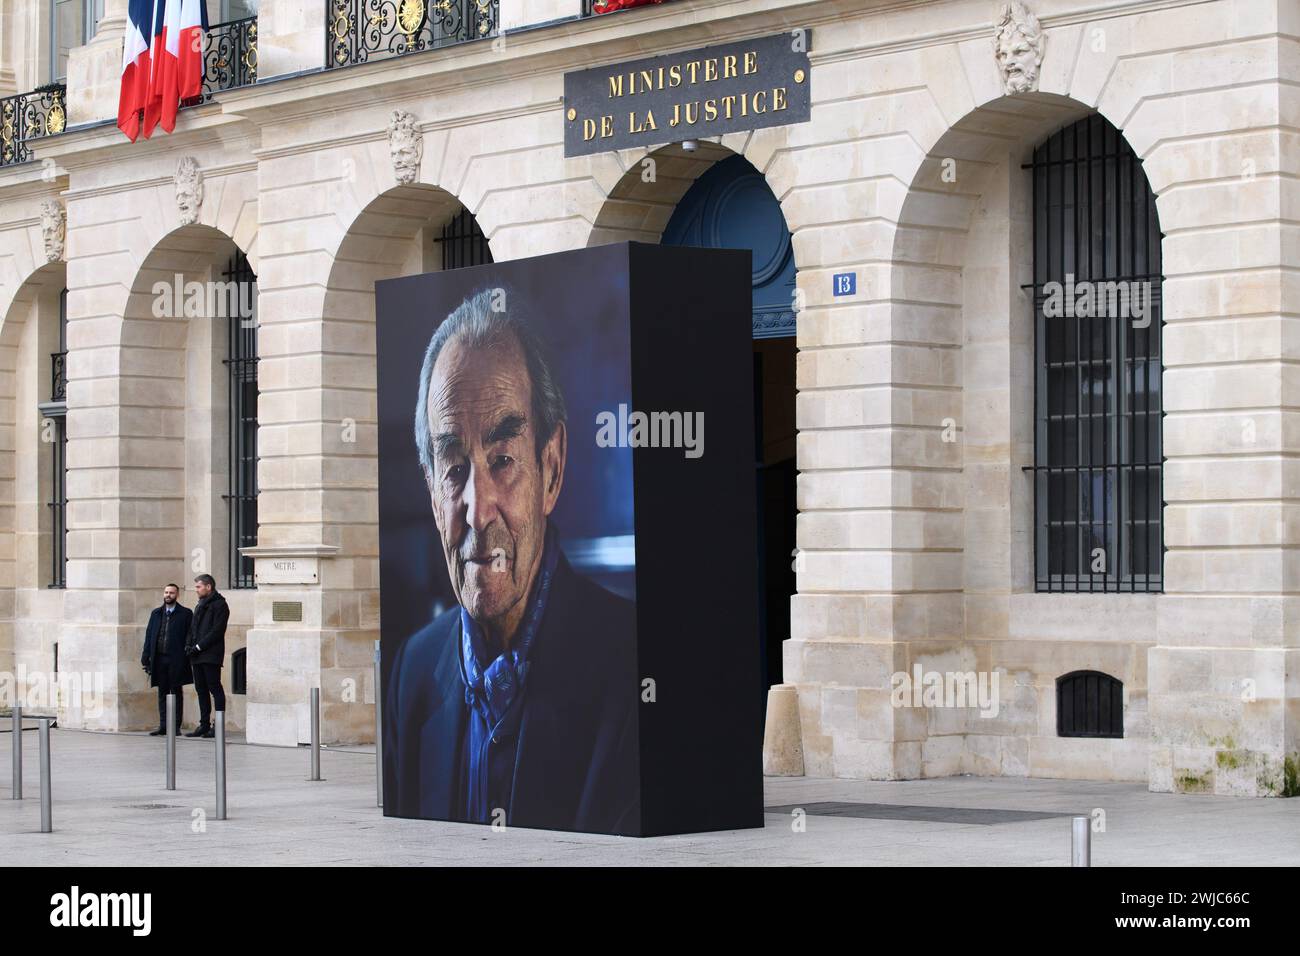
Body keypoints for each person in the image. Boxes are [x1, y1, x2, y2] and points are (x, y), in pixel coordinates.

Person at [385, 289, 638, 833]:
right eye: (454, 468)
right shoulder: (411, 672)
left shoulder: (630, 669)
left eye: (502, 460)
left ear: (552, 467)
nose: (478, 511)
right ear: (431, 493)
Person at [140, 584, 193, 735]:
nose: (168, 595)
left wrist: (186, 653)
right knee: (162, 692)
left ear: (177, 595)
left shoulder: (186, 613)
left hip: (177, 659)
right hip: (159, 658)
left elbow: (190, 634)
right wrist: (146, 656)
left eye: (171, 593)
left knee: (176, 691)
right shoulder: (156, 613)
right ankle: (163, 725)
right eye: (166, 592)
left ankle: (175, 726)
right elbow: (149, 635)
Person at [184, 573, 230, 739]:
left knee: (214, 688)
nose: (196, 590)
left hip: (210, 655)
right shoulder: (200, 604)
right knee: (200, 690)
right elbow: (193, 627)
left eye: (198, 587)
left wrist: (198, 646)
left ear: (208, 587)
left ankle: (218, 726)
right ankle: (204, 725)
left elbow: (216, 631)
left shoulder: (220, 605)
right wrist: (189, 645)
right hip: (196, 655)